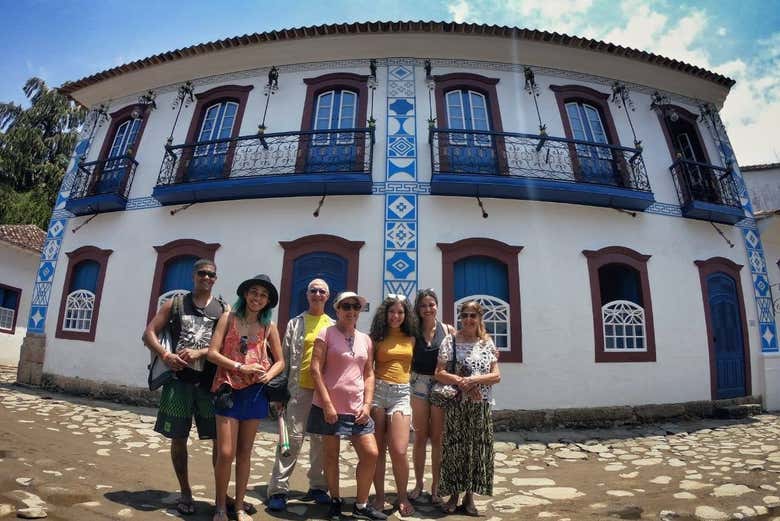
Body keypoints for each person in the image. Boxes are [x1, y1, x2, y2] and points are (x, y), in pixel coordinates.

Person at [143, 258, 228, 516]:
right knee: (178, 438)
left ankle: (221, 495)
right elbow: (148, 334)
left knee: (218, 440)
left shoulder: (224, 309)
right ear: (193, 276)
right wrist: (166, 356)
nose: (207, 278)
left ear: (216, 278)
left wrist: (201, 351)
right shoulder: (176, 303)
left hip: (209, 385)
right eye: (202, 273)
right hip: (178, 383)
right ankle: (185, 491)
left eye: (211, 275)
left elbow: (226, 344)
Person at [207, 274, 285, 521]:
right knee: (226, 452)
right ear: (245, 294)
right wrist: (240, 368)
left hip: (254, 393)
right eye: (254, 292)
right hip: (227, 389)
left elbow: (281, 361)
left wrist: (267, 375)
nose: (257, 298)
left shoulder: (268, 326)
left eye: (263, 295)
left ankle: (239, 506)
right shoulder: (228, 318)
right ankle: (220, 506)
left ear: (267, 301)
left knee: (245, 453)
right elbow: (212, 353)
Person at [307, 291, 387, 521]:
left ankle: (361, 504)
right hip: (330, 407)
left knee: (371, 453)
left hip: (357, 408)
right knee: (331, 455)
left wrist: (368, 403)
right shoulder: (326, 333)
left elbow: (369, 373)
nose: (351, 311)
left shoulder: (365, 339)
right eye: (346, 306)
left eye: (355, 307)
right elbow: (315, 369)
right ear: (337, 309)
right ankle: (335, 500)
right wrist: (327, 405)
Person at [266, 278, 334, 511]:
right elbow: (283, 359)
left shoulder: (332, 325)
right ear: (307, 295)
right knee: (292, 440)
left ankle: (318, 486)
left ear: (328, 296)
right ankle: (278, 489)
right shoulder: (296, 324)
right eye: (313, 290)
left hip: (323, 391)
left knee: (320, 441)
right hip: (299, 389)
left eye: (321, 291)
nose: (317, 294)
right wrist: (279, 392)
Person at [435, 300, 501, 517]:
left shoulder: (487, 343)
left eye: (473, 315)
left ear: (480, 318)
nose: (469, 319)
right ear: (460, 318)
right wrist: (460, 381)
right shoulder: (451, 340)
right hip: (456, 404)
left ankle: (469, 497)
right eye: (465, 315)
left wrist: (472, 380)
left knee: (475, 451)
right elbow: (439, 372)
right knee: (455, 449)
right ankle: (453, 495)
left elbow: (496, 375)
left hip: (480, 405)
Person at [369, 295, 417, 516]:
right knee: (377, 451)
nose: (396, 316)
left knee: (398, 450)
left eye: (400, 312)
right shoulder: (376, 337)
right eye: (391, 312)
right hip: (378, 393)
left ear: (406, 315)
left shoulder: (411, 337)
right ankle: (379, 497)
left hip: (401, 394)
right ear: (384, 314)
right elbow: (367, 368)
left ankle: (402, 495)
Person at [408, 289, 455, 506]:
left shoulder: (447, 330)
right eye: (424, 305)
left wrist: (490, 349)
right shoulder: (412, 331)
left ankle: (436, 487)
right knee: (420, 437)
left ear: (437, 306)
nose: (428, 309)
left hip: (440, 385)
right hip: (418, 384)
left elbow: (467, 344)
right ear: (418, 309)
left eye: (431, 304)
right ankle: (419, 484)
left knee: (437, 438)